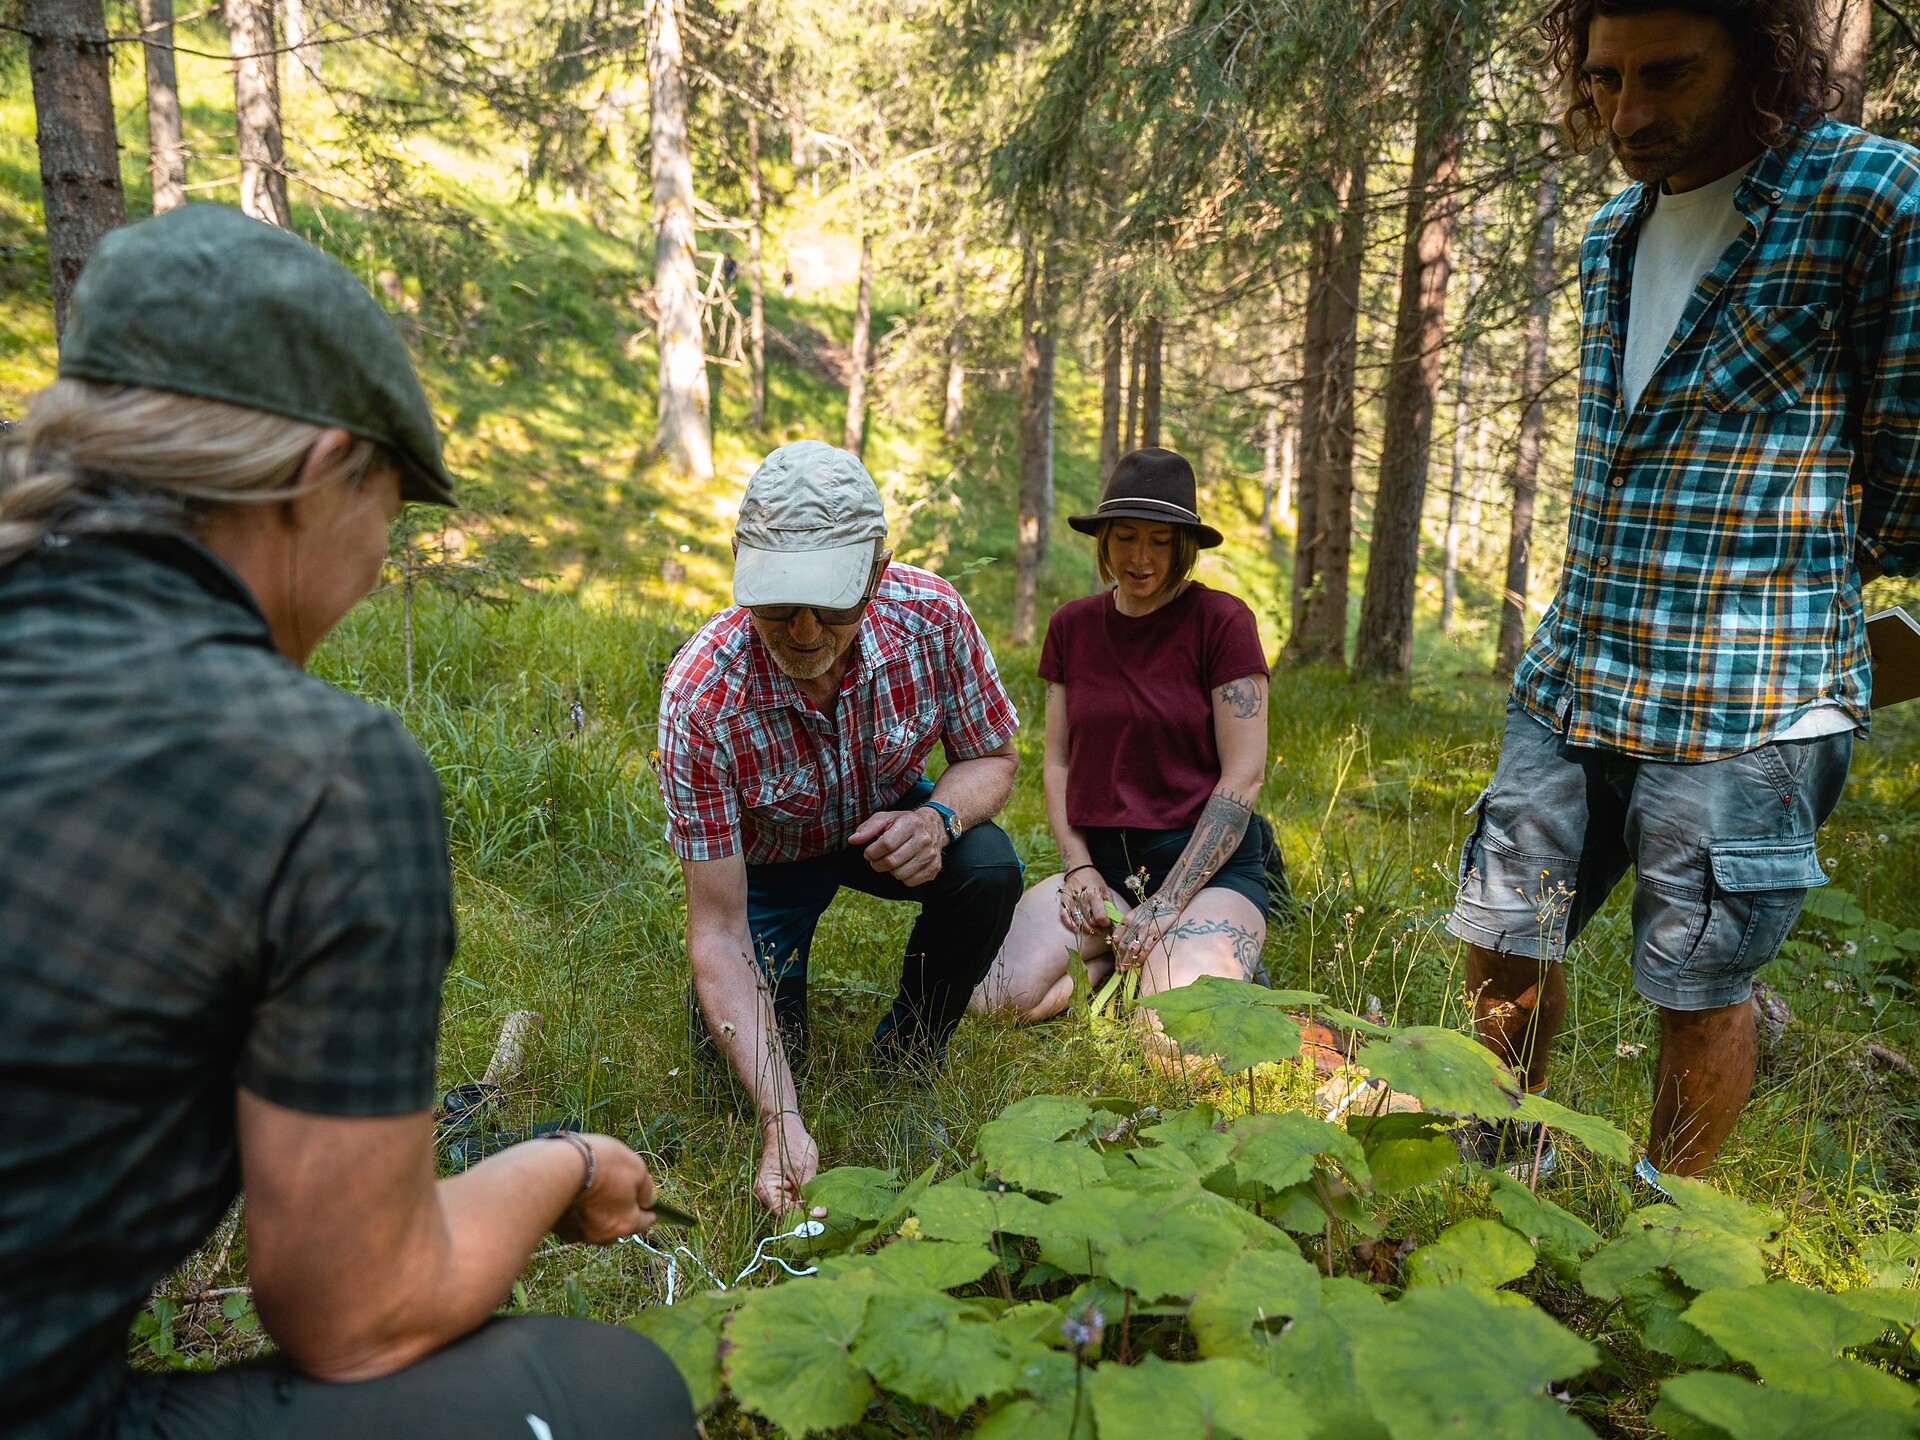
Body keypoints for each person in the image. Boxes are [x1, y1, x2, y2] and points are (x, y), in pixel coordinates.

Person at [0, 206, 695, 1440]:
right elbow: (358, 1313)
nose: (379, 562)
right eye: (392, 506)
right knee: (615, 1397)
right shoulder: (317, 773)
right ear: (324, 476)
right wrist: (564, 1167)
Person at [1450, 0, 1920, 1191]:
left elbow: (1909, 458)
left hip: (1745, 700)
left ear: (1755, 56)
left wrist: (1808, 590)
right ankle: (1501, 1162)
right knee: (1504, 933)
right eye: (1605, 80)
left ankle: (1664, 1228)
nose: (1630, 113)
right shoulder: (1615, 227)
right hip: (1576, 669)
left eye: (1668, 75)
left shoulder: (1870, 198)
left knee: (1696, 979)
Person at [657, 441, 1022, 1213]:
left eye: (829, 605)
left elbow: (993, 756)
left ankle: (909, 1055)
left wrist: (937, 818)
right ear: (740, 564)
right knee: (737, 1079)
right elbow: (717, 931)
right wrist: (780, 1117)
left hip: (884, 819)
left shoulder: (932, 618)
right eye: (777, 603)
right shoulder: (701, 697)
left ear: (877, 572)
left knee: (988, 866)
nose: (801, 631)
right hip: (769, 864)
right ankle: (781, 1083)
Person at [971, 448, 1271, 1040]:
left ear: (1183, 546)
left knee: (1170, 1038)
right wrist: (1078, 866)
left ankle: (1184, 965)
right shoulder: (1072, 627)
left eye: (1160, 541)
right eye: (1126, 536)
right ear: (1103, 539)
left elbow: (1243, 779)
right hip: (1103, 873)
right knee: (995, 1000)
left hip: (1205, 875)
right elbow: (1057, 763)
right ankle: (1116, 956)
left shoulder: (1223, 622)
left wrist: (1168, 903)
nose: (1140, 557)